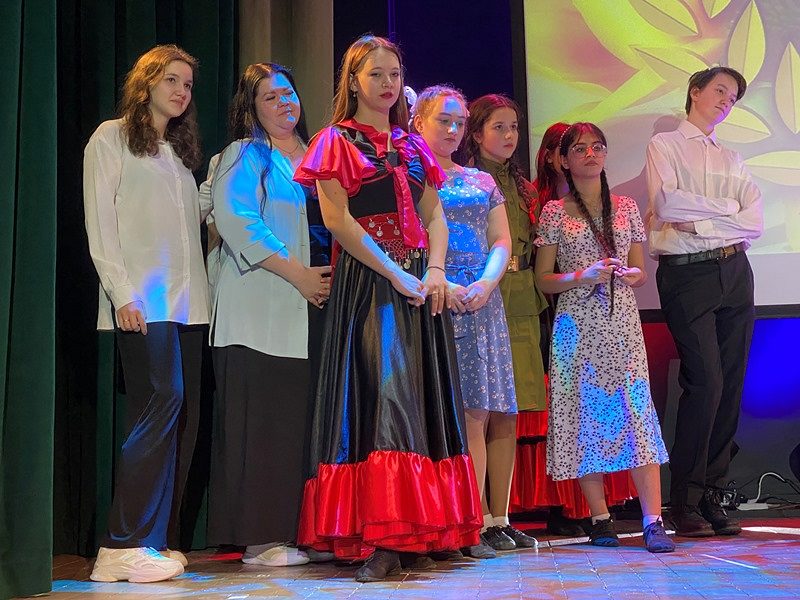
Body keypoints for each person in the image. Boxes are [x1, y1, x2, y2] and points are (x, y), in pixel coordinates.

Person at [293, 35, 482, 583]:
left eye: (395, 74)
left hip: (418, 281)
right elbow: (337, 221)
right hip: (370, 282)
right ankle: (383, 536)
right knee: (385, 397)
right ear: (353, 81)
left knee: (422, 398)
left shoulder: (412, 144)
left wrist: (436, 271)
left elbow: (433, 216)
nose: (388, 84)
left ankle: (421, 530)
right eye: (376, 74)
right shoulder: (335, 140)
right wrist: (394, 272)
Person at [83, 44, 207, 582]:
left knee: (175, 415)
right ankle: (119, 545)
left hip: (187, 305)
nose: (181, 91)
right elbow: (100, 223)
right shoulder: (110, 138)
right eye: (172, 80)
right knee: (161, 401)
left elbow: (186, 225)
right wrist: (121, 293)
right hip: (141, 301)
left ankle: (149, 542)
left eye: (188, 84)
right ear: (147, 82)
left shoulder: (178, 155)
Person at [206, 63, 331, 567]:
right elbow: (238, 221)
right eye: (269, 97)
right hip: (260, 308)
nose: (284, 103)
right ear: (251, 108)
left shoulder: (319, 155)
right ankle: (261, 540)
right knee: (262, 423)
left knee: (299, 423)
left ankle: (301, 532)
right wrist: (298, 273)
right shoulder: (244, 154)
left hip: (314, 309)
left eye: (288, 93)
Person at [534, 122, 674, 553]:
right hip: (576, 327)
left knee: (637, 414)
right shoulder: (555, 212)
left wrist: (631, 275)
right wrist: (584, 275)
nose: (591, 154)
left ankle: (653, 520)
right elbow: (543, 279)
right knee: (582, 417)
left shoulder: (626, 206)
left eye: (598, 147)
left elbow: (640, 271)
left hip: (622, 325)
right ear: (563, 160)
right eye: (580, 149)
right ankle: (599, 518)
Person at [412, 85, 537, 557]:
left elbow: (500, 240)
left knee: (491, 409)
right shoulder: (411, 177)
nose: (452, 129)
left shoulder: (480, 181)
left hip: (483, 299)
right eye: (442, 120)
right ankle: (464, 520)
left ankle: (493, 520)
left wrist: (486, 283)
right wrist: (440, 279)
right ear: (418, 122)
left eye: (459, 122)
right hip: (435, 295)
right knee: (462, 413)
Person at [645, 66, 762, 537]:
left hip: (736, 271)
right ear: (695, 91)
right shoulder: (665, 145)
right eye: (720, 91)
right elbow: (667, 205)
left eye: (732, 98)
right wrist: (727, 211)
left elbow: (754, 221)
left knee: (730, 385)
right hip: (687, 274)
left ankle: (713, 493)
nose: (726, 102)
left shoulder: (733, 158)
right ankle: (685, 500)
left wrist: (704, 222)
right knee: (706, 382)